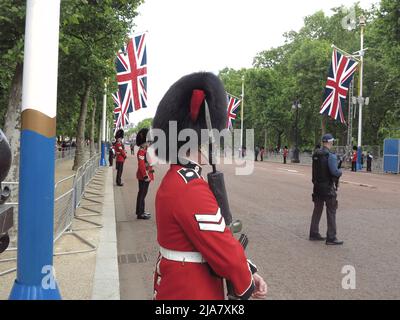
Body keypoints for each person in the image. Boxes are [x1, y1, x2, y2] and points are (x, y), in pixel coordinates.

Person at [151, 72, 267, 300]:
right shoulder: (190, 187)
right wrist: (246, 280)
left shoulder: (176, 178)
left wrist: (247, 268)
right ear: (202, 140)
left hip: (175, 284)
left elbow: (215, 239)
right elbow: (222, 247)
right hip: (193, 290)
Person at [309, 134, 343, 245]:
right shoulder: (330, 156)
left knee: (317, 209)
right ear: (330, 142)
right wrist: (340, 172)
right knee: (331, 211)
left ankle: (313, 233)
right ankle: (331, 237)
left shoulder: (316, 154)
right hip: (328, 187)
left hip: (317, 186)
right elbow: (334, 171)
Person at [135, 128, 154, 220]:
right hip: (143, 176)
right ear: (143, 142)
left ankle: (141, 211)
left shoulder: (145, 151)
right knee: (142, 194)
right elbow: (142, 165)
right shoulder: (141, 152)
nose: (148, 143)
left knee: (143, 194)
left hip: (147, 175)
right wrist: (145, 176)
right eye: (147, 142)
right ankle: (140, 213)